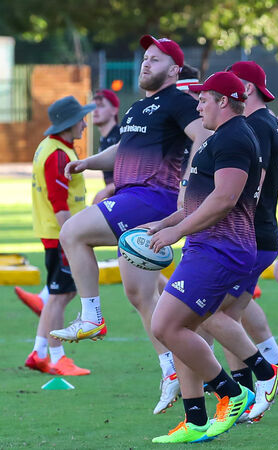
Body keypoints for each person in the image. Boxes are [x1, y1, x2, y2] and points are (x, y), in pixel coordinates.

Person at [50, 35, 212, 414]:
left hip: (150, 197)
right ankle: (171, 368)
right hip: (133, 196)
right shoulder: (139, 107)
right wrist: (88, 163)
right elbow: (123, 149)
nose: (146, 63)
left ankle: (90, 316)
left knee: (72, 232)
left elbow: (203, 136)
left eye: (155, 59)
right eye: (145, 58)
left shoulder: (177, 101)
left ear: (174, 70)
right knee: (141, 296)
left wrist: (187, 184)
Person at [148, 71, 278, 442]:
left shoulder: (236, 137)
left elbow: (224, 199)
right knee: (181, 330)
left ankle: (232, 393)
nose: (197, 106)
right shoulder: (221, 137)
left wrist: (177, 231)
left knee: (165, 327)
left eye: (203, 99)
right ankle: (195, 420)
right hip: (206, 246)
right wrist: (163, 224)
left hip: (220, 248)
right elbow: (201, 199)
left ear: (224, 101)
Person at [200, 61, 278, 417]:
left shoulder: (254, 126)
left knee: (206, 311)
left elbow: (252, 185)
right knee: (228, 317)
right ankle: (245, 395)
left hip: (250, 236)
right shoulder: (267, 123)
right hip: (258, 235)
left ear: (247, 89)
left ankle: (267, 373)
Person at [24, 96, 96, 377]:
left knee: (61, 293)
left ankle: (39, 352)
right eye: (81, 120)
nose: (85, 124)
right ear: (69, 123)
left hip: (56, 233)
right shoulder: (57, 154)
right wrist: (71, 239)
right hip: (60, 234)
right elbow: (59, 205)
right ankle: (56, 357)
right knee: (60, 295)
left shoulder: (53, 148)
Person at [91, 89, 121, 204]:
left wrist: (105, 191)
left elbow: (135, 175)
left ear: (114, 110)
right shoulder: (104, 139)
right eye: (93, 107)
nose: (95, 111)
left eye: (101, 106)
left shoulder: (121, 135)